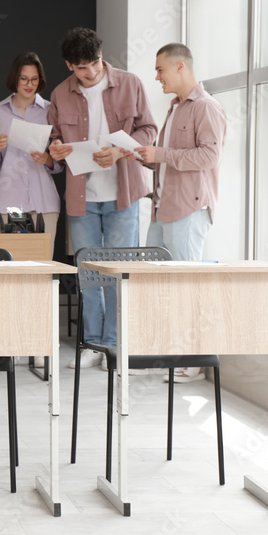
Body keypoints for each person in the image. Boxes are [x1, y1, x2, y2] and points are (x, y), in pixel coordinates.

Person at [47, 27, 157, 370]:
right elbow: (51, 141)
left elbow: (149, 130)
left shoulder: (130, 83)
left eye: (94, 63)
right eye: (82, 68)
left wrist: (120, 152)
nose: (91, 72)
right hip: (82, 200)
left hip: (123, 195)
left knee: (119, 273)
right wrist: (54, 148)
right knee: (89, 275)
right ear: (70, 66)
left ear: (101, 56)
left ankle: (114, 345)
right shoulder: (59, 95)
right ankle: (92, 343)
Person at [138, 43, 227, 383]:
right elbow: (172, 157)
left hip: (189, 210)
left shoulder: (206, 108)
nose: (156, 76)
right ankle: (172, 352)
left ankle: (196, 358)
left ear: (179, 68)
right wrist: (147, 157)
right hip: (163, 209)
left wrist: (161, 155)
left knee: (190, 285)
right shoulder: (175, 108)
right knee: (163, 285)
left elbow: (208, 157)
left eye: (160, 69)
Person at [0, 52, 61, 239]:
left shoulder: (51, 111)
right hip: (10, 205)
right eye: (24, 79)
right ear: (15, 79)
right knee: (13, 264)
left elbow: (60, 162)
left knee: (42, 265)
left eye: (34, 79)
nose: (29, 84)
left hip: (43, 203)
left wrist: (48, 159)